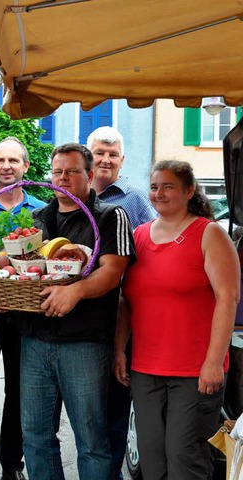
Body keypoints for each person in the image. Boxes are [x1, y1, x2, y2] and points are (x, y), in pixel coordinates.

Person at [0, 143, 135, 480]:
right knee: (36, 438)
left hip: (84, 342)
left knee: (91, 441)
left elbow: (113, 272)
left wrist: (77, 291)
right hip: (35, 340)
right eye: (57, 172)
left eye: (71, 171)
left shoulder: (110, 216)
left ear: (90, 175)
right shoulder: (38, 218)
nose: (63, 178)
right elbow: (6, 260)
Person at [114, 160, 240, 479]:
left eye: (168, 186)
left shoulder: (209, 234)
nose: (159, 193)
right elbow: (126, 301)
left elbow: (228, 299)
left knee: (185, 457)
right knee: (153, 459)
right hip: (145, 369)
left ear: (189, 191)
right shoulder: (138, 236)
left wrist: (214, 363)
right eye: (154, 187)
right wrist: (119, 350)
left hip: (195, 371)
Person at [0, 136, 46, 480]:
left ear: (26, 167)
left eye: (13, 161)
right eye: (0, 160)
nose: (6, 166)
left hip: (24, 314)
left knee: (18, 391)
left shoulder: (41, 210)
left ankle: (12, 465)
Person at [86, 126, 157, 480]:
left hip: (121, 314)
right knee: (88, 403)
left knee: (116, 399)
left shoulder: (134, 199)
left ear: (122, 160)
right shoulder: (73, 198)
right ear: (89, 157)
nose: (105, 160)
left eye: (113, 154)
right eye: (100, 152)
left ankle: (110, 471)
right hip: (83, 316)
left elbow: (152, 252)